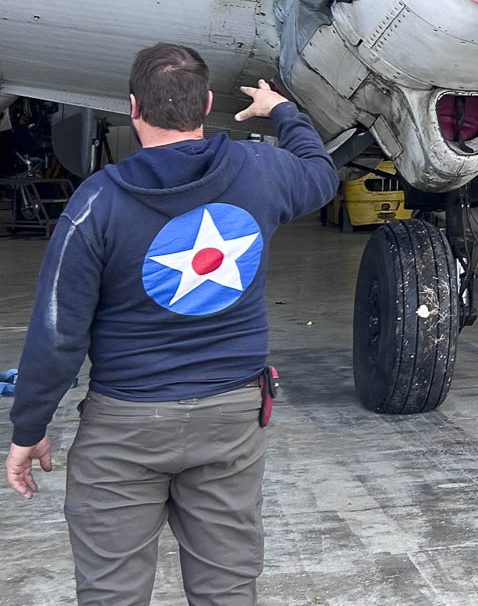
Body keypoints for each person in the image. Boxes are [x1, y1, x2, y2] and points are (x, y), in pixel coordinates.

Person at [5, 43, 339, 605]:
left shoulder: (96, 203)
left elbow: (59, 332)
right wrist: (281, 110)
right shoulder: (262, 173)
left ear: (133, 108)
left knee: (112, 593)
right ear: (207, 104)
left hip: (125, 425)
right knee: (227, 589)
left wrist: (28, 428)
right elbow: (321, 174)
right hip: (232, 421)